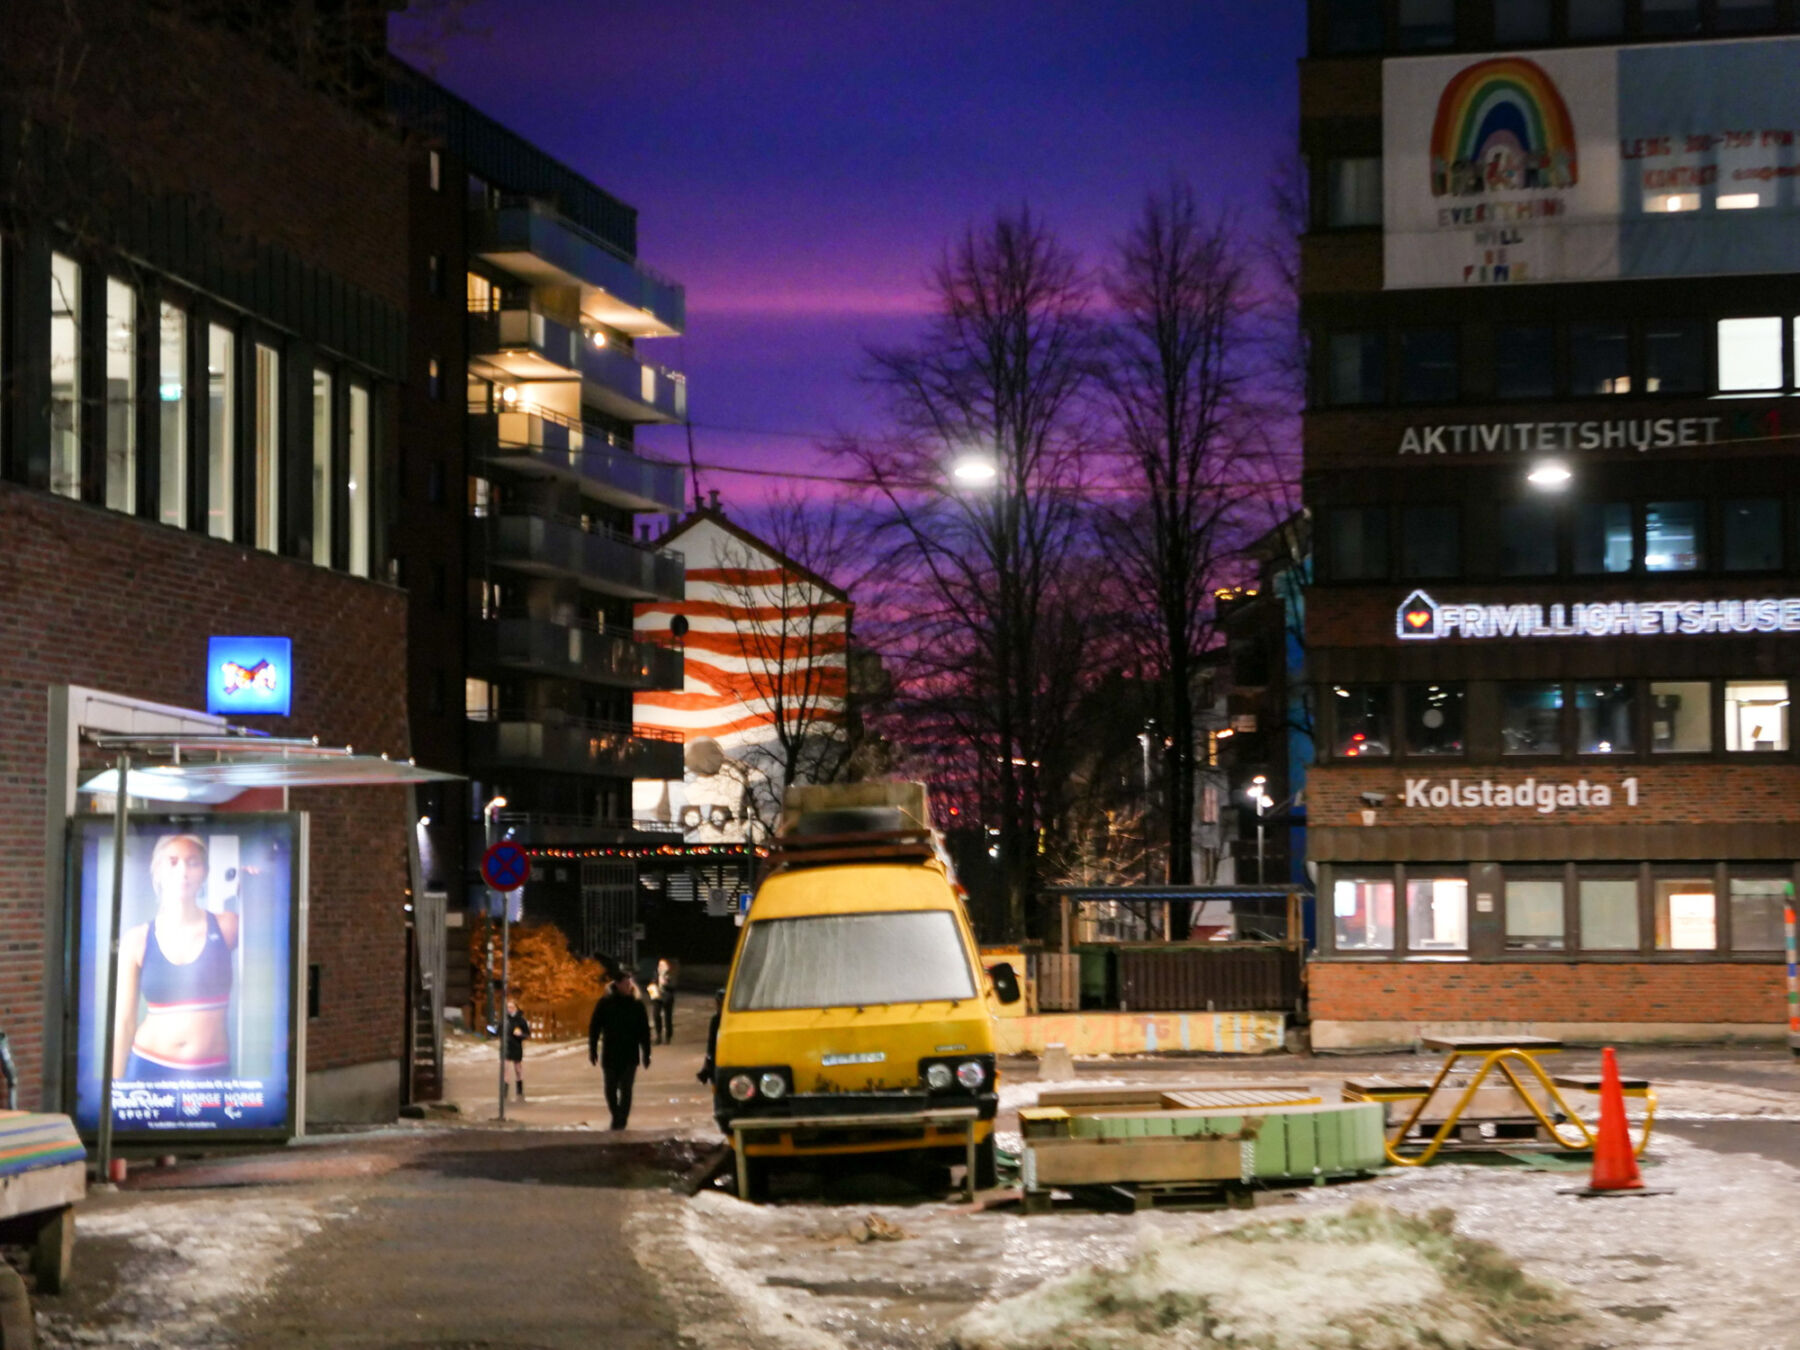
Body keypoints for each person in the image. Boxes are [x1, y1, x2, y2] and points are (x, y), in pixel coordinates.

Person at [114, 835, 239, 1083]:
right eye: (172, 862)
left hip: (209, 1070)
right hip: (148, 1066)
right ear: (158, 871)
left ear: (204, 872)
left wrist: (260, 882)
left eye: (193, 863)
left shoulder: (226, 926)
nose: (183, 871)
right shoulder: (137, 939)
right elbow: (124, 1022)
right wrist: (115, 1087)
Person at [588, 972, 652, 1130]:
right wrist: (593, 1050)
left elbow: (644, 1031)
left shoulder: (636, 1005)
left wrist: (646, 1053)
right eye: (625, 983)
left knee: (626, 1088)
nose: (628, 985)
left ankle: (622, 1119)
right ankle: (616, 1114)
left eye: (629, 982)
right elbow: (595, 1027)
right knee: (610, 1088)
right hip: (610, 1052)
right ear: (617, 984)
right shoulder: (605, 1003)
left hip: (630, 1054)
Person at [696, 988, 726, 1086]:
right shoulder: (717, 1020)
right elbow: (711, 1044)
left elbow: (711, 1044)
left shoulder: (717, 1020)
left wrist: (707, 1063)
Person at [648, 957, 679, 1045]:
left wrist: (666, 983)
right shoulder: (656, 973)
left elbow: (673, 986)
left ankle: (668, 1036)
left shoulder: (671, 974)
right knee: (656, 1015)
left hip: (667, 997)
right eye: (659, 965)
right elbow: (652, 982)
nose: (661, 967)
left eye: (663, 965)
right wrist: (653, 986)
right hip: (657, 997)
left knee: (667, 1017)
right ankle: (658, 1035)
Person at [504, 996, 530, 1100]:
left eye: (511, 1007)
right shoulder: (505, 1019)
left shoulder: (521, 1020)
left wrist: (520, 1034)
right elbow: (498, 1030)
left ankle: (519, 1089)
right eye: (508, 1007)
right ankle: (504, 1091)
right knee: (505, 1068)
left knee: (517, 1068)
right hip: (506, 1046)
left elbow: (527, 1034)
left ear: (516, 1008)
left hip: (516, 1046)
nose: (509, 1009)